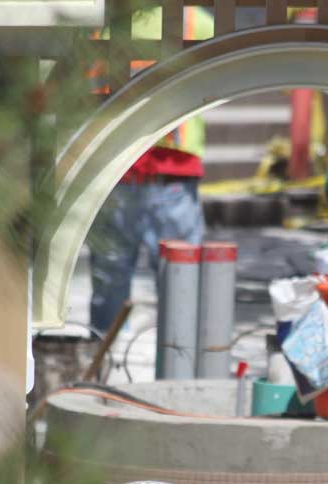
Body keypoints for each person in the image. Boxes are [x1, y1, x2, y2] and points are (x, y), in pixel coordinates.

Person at [86, 7, 212, 333]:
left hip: (118, 170)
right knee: (183, 283)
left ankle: (101, 367)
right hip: (166, 171)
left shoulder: (98, 18)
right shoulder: (192, 19)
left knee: (110, 285)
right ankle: (183, 369)